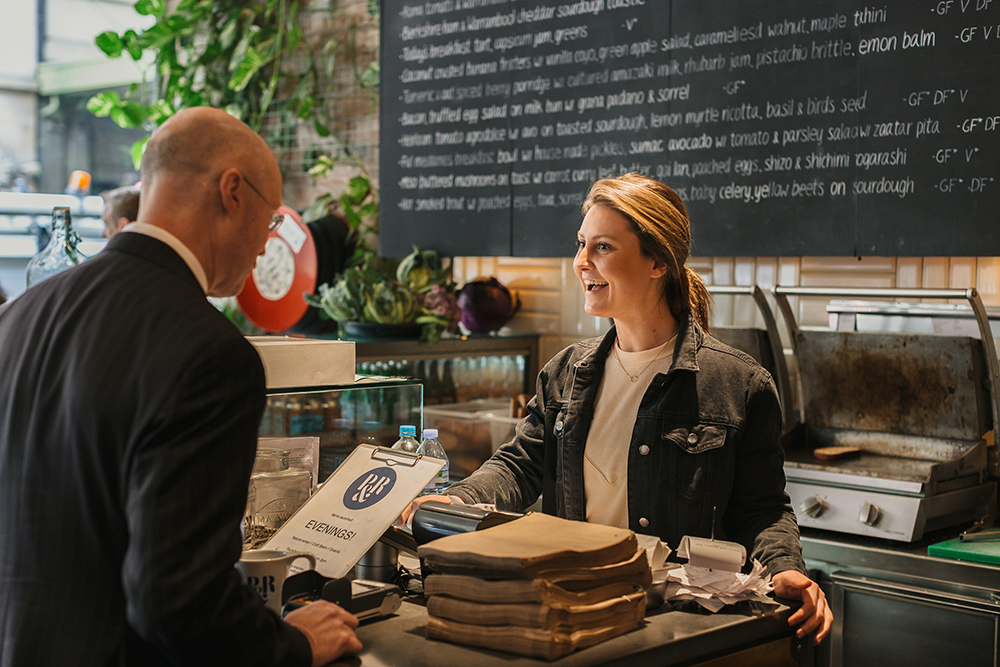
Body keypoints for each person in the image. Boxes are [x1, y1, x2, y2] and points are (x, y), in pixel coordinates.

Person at [402, 173, 833, 644]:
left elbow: (763, 509)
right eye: (581, 243)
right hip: (575, 613)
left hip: (678, 627)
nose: (581, 262)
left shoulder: (738, 384)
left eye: (602, 247)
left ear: (657, 262)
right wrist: (458, 499)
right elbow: (519, 466)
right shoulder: (566, 374)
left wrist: (784, 567)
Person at [0, 107, 361, 666]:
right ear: (232, 192)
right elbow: (177, 602)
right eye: (268, 224)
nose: (266, 248)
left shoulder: (22, 313)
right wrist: (296, 643)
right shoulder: (209, 353)